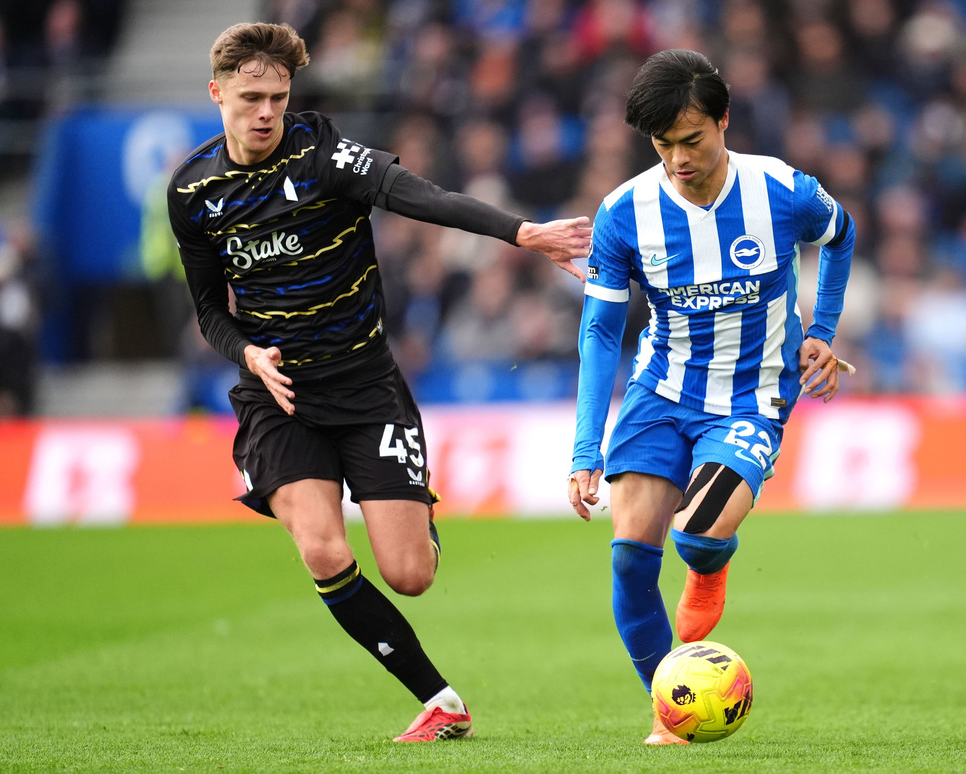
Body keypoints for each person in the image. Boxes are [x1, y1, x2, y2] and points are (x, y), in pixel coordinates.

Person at [167, 22, 591, 743]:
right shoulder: (193, 191)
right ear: (217, 94)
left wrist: (522, 233)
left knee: (410, 575)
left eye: (277, 96)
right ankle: (440, 699)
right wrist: (248, 357)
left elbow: (418, 195)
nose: (266, 111)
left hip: (367, 388)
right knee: (325, 551)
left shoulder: (325, 153)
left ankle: (415, 514)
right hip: (281, 399)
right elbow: (209, 309)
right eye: (250, 98)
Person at [566, 49, 854, 745]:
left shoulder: (780, 189)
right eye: (662, 145)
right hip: (660, 392)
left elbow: (840, 235)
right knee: (632, 561)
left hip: (753, 397)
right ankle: (673, 711)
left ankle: (709, 570)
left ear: (723, 121)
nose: (677, 159)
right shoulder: (623, 211)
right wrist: (585, 449)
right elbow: (601, 332)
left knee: (697, 535)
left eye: (691, 141)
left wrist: (820, 331)